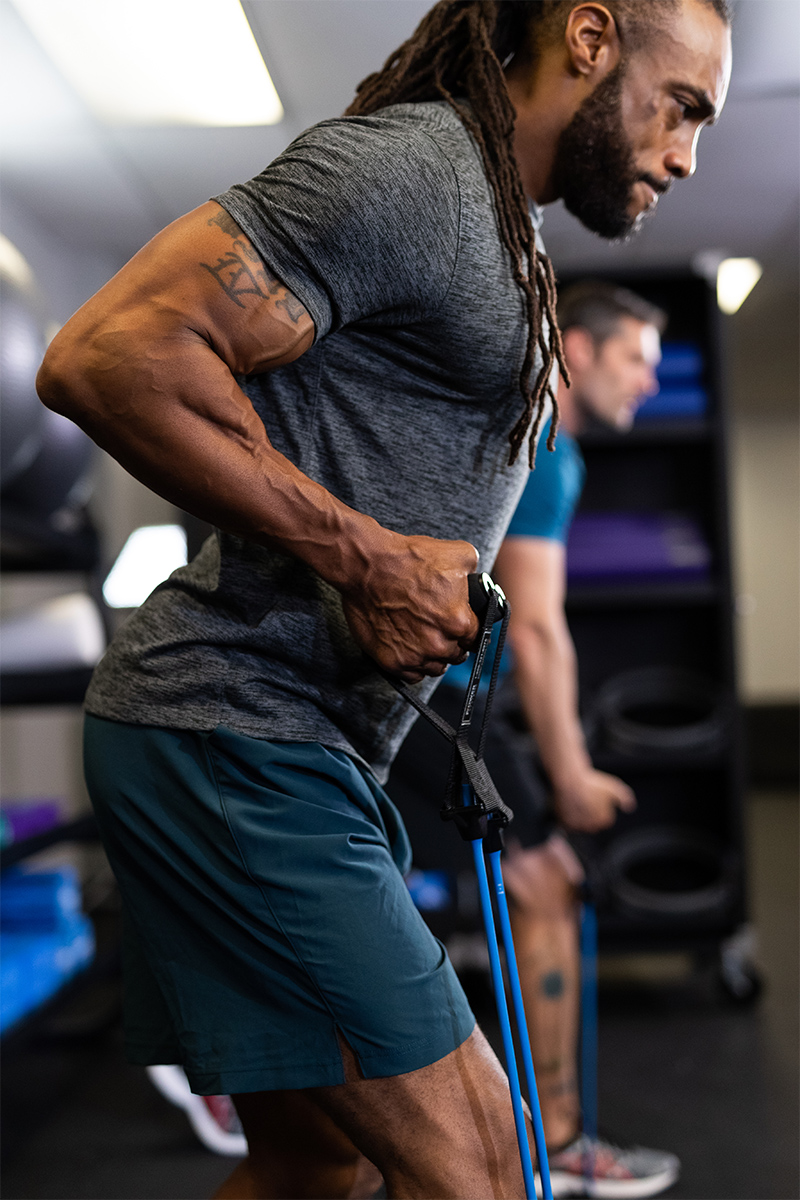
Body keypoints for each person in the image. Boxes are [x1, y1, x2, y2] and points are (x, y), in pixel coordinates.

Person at [36, 2, 731, 1197]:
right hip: (233, 728)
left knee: (316, 1169)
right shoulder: (418, 169)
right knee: (484, 1164)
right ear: (587, 36)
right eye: (679, 106)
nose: (682, 154)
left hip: (306, 745)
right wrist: (360, 558)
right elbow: (104, 355)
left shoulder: (504, 231)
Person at [387, 279, 675, 1196]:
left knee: (534, 882)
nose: (649, 385)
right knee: (547, 883)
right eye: (636, 360)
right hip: (423, 698)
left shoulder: (510, 426)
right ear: (578, 352)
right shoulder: (543, 441)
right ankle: (553, 1141)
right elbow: (541, 629)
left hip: (416, 694)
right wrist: (573, 773)